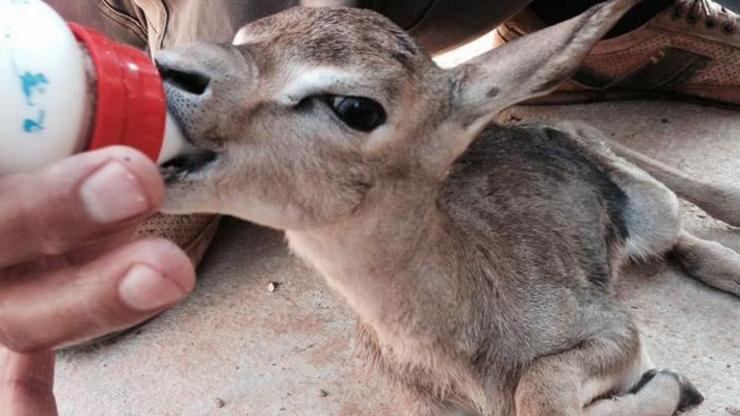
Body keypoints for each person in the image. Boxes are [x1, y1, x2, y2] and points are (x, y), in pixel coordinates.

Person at [2, 1, 738, 414]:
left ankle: (639, 41)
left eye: (353, 110)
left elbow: (607, 337)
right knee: (79, 292)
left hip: (538, 171)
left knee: (658, 220)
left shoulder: (520, 303)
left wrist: (546, 395)